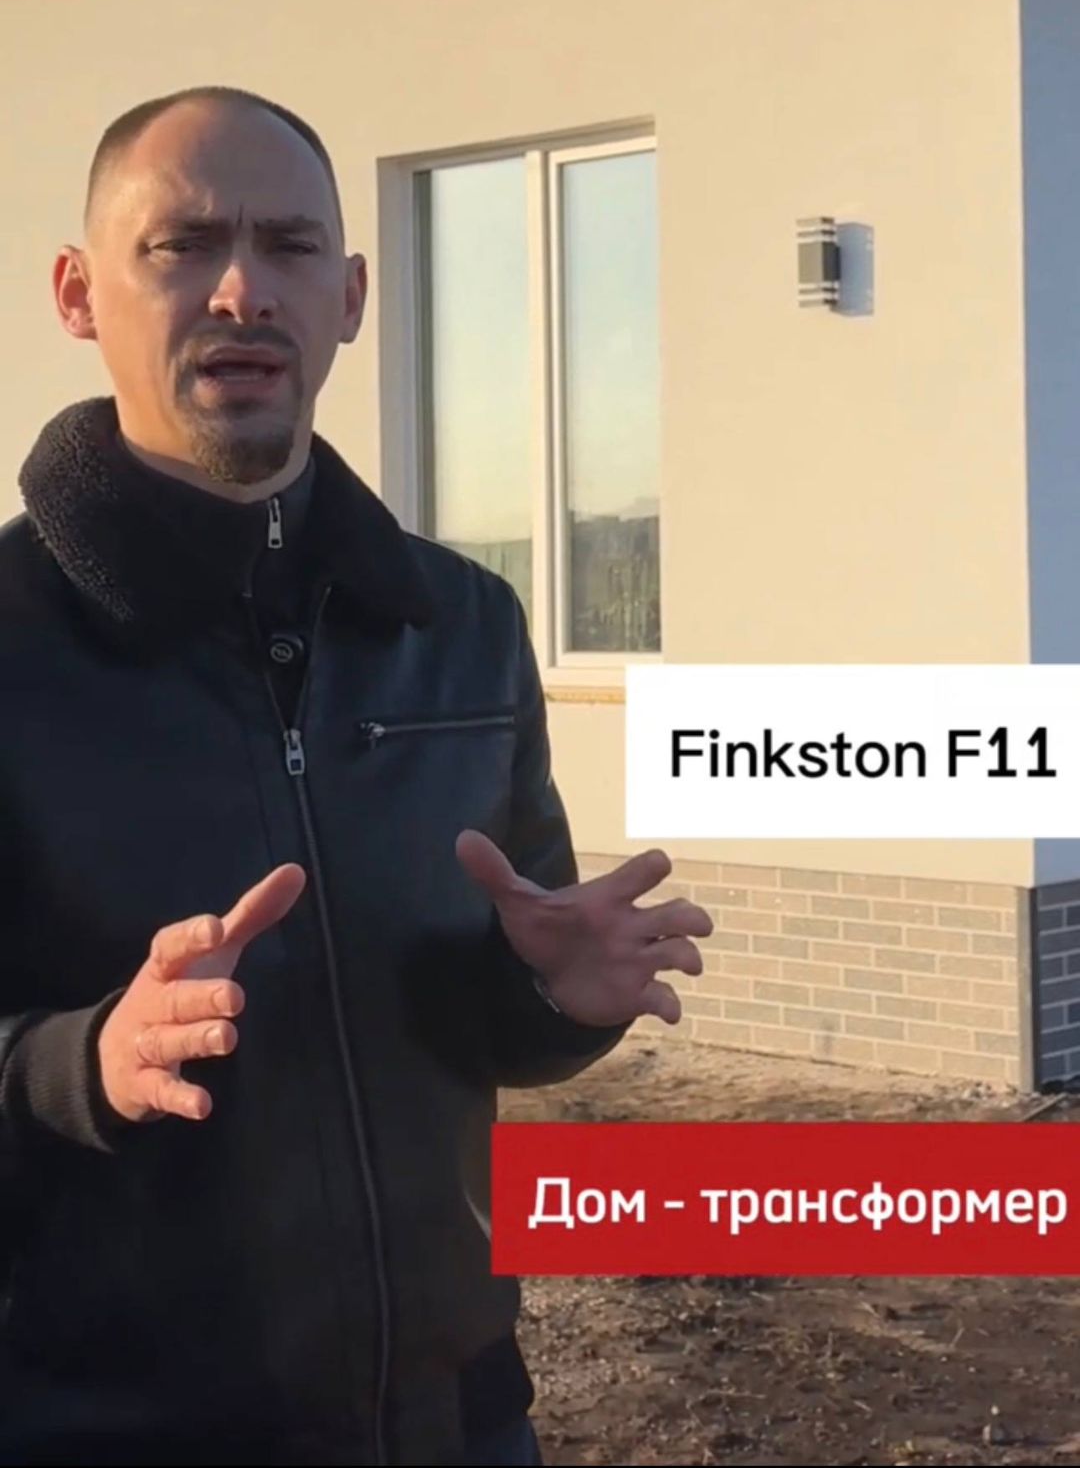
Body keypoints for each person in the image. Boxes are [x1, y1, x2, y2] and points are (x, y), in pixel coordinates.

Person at [0, 86, 713, 1468]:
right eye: (183, 245)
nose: (241, 290)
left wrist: (554, 997)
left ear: (351, 297)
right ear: (79, 295)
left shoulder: (459, 626)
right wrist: (80, 1065)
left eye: (289, 245)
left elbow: (477, 1025)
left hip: (457, 1424)